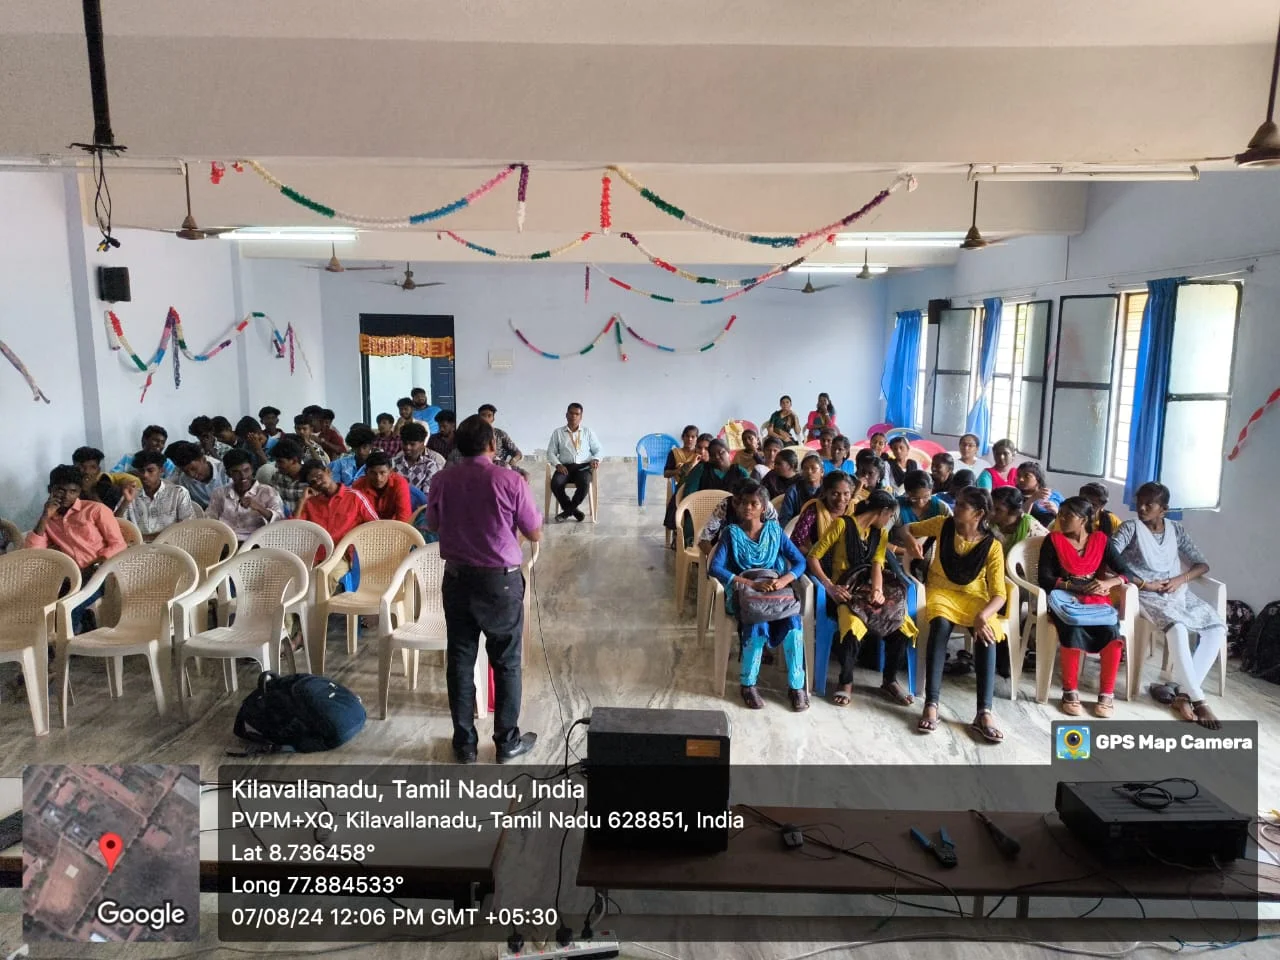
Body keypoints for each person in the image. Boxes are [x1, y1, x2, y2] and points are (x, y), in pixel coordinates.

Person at [426, 414, 542, 763]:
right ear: (493, 445)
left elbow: (434, 524)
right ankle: (507, 743)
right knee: (506, 661)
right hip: (500, 582)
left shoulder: (441, 479)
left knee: (460, 660)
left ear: (457, 446)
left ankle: (464, 744)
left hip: (457, 579)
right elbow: (534, 531)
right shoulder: (510, 480)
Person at [1110, 482, 1227, 729]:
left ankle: (1183, 695)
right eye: (1139, 502)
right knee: (1178, 628)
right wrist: (1145, 583)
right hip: (1144, 594)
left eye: (1148, 504)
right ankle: (1199, 700)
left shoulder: (1176, 530)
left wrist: (1180, 579)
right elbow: (1109, 558)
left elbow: (1202, 565)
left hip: (1177, 592)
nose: (1141, 508)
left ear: (1164, 509)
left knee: (1216, 628)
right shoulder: (1130, 528)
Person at [898, 487, 1008, 743]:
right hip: (941, 592)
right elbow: (905, 528)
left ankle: (984, 712)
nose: (955, 509)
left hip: (975, 597)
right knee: (940, 626)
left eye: (962, 506)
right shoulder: (942, 524)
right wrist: (910, 540)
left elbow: (999, 594)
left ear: (979, 514)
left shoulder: (992, 546)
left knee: (987, 636)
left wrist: (983, 616)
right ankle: (932, 703)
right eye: (956, 503)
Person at [807, 489, 918, 708]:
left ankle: (889, 680)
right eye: (889, 516)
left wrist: (877, 590)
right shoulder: (841, 524)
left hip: (867, 589)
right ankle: (846, 681)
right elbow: (813, 557)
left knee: (903, 624)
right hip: (845, 590)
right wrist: (829, 586)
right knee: (853, 625)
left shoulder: (881, 534)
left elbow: (877, 565)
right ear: (882, 511)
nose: (888, 521)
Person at [707, 481, 809, 711]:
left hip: (774, 588)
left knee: (794, 624)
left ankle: (796, 686)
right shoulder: (731, 533)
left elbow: (800, 561)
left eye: (754, 503)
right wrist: (750, 583)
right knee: (757, 623)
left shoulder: (774, 531)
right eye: (743, 503)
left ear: (763, 507)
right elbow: (715, 568)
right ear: (737, 505)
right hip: (746, 592)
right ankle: (748, 684)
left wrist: (783, 580)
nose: (748, 508)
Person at [1038, 496, 1128, 718]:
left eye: (1068, 515)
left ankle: (1106, 694)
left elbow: (1126, 572)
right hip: (1064, 601)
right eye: (1060, 514)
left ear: (1084, 519)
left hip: (1096, 600)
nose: (1061, 519)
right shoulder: (1053, 540)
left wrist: (1109, 583)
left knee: (1112, 632)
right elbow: (1044, 578)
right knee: (1072, 629)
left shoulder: (1101, 540)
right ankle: (1070, 691)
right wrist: (1073, 586)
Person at [26, 465, 129, 631]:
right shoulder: (49, 518)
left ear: (79, 491)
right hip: (70, 577)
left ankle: (66, 643)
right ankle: (66, 633)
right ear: (50, 489)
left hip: (101, 574)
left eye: (73, 491)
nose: (66, 496)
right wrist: (45, 516)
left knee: (69, 607)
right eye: (60, 490)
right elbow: (33, 552)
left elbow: (118, 544)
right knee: (39, 604)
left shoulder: (95, 510)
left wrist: (95, 566)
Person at [206, 449, 284, 543]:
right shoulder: (219, 493)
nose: (243, 476)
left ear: (252, 469)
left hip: (256, 543)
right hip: (225, 541)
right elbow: (209, 520)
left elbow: (280, 520)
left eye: (246, 470)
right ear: (228, 474)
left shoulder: (268, 492)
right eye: (236, 472)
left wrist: (259, 508)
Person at [297, 460, 379, 546]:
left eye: (319, 476)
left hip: (348, 550)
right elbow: (293, 530)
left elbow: (377, 525)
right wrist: (302, 501)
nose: (318, 482)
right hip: (319, 551)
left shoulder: (354, 497)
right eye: (313, 482)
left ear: (328, 472)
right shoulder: (310, 503)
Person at [124, 451, 198, 540]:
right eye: (141, 471)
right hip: (139, 546)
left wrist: (148, 538)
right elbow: (117, 526)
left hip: (171, 545)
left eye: (150, 470)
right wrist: (125, 502)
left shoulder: (178, 493)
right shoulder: (131, 494)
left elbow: (187, 527)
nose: (145, 475)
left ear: (161, 470)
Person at [547, 402, 602, 523]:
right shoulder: (558, 433)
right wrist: (558, 464)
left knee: (584, 483)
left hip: (583, 467)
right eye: (571, 413)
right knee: (555, 483)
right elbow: (550, 452)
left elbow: (598, 450)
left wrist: (596, 459)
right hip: (564, 467)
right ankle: (574, 511)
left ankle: (567, 512)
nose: (573, 416)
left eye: (577, 414)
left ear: (581, 417)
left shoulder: (588, 432)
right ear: (566, 415)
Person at [790, 470, 857, 555]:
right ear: (825, 492)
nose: (841, 499)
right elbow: (796, 541)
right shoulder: (814, 509)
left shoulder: (856, 509)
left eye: (846, 494)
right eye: (835, 494)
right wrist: (812, 557)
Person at [352, 451, 413, 522]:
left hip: (393, 525)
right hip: (368, 526)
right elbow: (355, 517)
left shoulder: (400, 484)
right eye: (373, 473)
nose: (378, 478)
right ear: (366, 472)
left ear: (390, 472)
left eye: (382, 472)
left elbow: (404, 518)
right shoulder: (358, 486)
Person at [72, 446, 138, 511]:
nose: (87, 471)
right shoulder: (67, 487)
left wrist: (90, 492)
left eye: (93, 467)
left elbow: (108, 515)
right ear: (73, 468)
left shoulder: (110, 490)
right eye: (82, 467)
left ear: (98, 470)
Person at [167, 441, 228, 509]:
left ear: (203, 460)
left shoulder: (225, 471)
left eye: (193, 469)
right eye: (186, 472)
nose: (191, 475)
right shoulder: (184, 481)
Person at [392, 422, 448, 497]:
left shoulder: (430, 465)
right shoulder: (393, 463)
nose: (407, 447)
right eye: (405, 443)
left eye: (412, 444)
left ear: (422, 443)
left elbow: (427, 495)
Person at [261, 438, 310, 516]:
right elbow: (270, 501)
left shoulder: (310, 480)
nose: (276, 466)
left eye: (280, 462)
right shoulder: (277, 477)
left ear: (294, 460)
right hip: (280, 521)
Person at [111, 425, 176, 476]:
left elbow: (172, 483)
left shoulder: (167, 463)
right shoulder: (129, 458)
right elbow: (113, 476)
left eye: (162, 442)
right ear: (144, 441)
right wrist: (131, 474)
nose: (159, 445)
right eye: (156, 440)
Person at [778, 453, 823, 527]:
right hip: (797, 528)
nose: (809, 471)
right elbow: (785, 519)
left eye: (813, 468)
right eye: (805, 468)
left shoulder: (827, 489)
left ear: (822, 472)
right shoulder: (793, 491)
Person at [477, 404, 524, 473]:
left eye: (489, 415)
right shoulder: (472, 434)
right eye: (483, 415)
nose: (486, 418)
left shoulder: (500, 434)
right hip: (478, 467)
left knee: (525, 474)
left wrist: (513, 461)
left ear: (493, 419)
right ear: (478, 418)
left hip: (499, 468)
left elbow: (518, 453)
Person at [1015, 461, 1060, 526]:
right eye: (1019, 476)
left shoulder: (1055, 495)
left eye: (1027, 476)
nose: (1021, 479)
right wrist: (1031, 500)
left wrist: (1056, 512)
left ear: (1038, 478)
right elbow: (1018, 521)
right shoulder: (1015, 496)